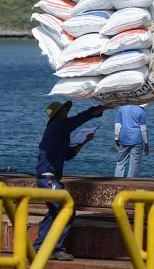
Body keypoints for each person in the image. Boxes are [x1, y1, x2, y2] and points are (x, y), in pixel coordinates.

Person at [32, 100, 111, 261]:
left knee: (55, 212)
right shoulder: (59, 125)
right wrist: (99, 108)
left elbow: (67, 155)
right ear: (59, 114)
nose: (66, 113)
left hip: (48, 179)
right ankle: (56, 248)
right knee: (67, 210)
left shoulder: (56, 130)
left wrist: (84, 142)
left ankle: (39, 247)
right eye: (64, 111)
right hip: (48, 179)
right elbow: (80, 118)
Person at [114, 104, 149, 178]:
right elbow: (143, 129)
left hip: (124, 138)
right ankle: (130, 182)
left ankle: (117, 180)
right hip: (137, 140)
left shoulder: (122, 108)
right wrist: (146, 143)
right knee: (135, 163)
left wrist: (116, 139)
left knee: (120, 162)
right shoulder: (141, 111)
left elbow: (117, 125)